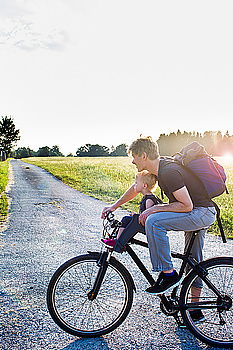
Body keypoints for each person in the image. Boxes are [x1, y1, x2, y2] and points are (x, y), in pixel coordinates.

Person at [102, 136, 216, 322]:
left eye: (134, 157)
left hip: (201, 213)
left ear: (144, 155)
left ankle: (168, 274)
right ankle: (194, 311)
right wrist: (114, 206)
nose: (132, 161)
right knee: (193, 261)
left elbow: (186, 205)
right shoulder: (158, 168)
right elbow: (135, 188)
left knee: (154, 221)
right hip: (198, 211)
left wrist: (155, 208)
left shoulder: (168, 171)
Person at [102, 170, 163, 248]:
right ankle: (118, 240)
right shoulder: (148, 198)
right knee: (126, 219)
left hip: (149, 226)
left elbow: (148, 217)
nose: (134, 185)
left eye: (136, 183)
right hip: (145, 224)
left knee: (131, 219)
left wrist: (136, 215)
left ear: (144, 186)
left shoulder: (149, 200)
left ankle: (119, 244)